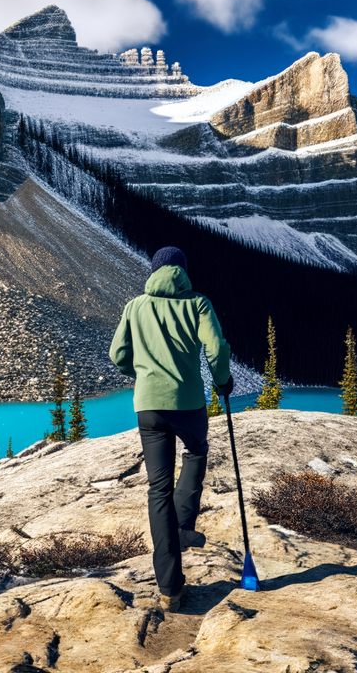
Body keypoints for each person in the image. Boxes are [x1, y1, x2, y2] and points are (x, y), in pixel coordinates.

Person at [110, 245, 231, 610]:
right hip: (188, 403)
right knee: (195, 452)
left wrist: (143, 376)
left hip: (147, 407)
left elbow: (118, 355)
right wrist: (222, 382)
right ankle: (183, 525)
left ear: (154, 270)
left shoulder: (135, 306)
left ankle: (170, 589)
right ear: (182, 271)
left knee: (157, 488)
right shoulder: (197, 303)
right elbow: (216, 349)